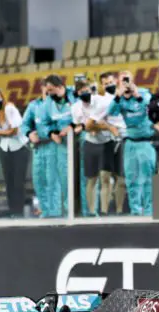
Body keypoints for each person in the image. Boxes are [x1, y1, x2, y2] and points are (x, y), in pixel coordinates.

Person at [107, 70, 157, 216]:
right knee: (131, 178)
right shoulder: (119, 98)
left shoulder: (143, 93)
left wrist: (136, 95)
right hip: (130, 142)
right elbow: (111, 112)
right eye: (123, 80)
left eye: (127, 79)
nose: (126, 83)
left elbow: (150, 108)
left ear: (133, 80)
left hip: (145, 142)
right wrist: (118, 95)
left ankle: (149, 210)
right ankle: (135, 210)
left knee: (148, 178)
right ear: (119, 82)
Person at [72, 79, 117, 216]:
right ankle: (92, 211)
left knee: (105, 177)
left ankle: (104, 210)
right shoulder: (75, 108)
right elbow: (80, 127)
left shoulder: (101, 101)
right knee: (91, 179)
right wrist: (96, 126)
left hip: (106, 142)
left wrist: (92, 126)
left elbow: (106, 122)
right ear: (77, 93)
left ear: (91, 90)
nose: (85, 93)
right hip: (90, 143)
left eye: (87, 90)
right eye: (82, 92)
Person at [0, 88, 29, 217]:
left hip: (19, 147)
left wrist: (2, 132)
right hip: (4, 148)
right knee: (9, 181)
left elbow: (15, 130)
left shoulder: (10, 109)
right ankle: (12, 210)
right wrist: (6, 132)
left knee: (18, 181)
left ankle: (19, 211)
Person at [42, 74, 77, 217]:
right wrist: (51, 133)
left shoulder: (75, 94)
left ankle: (87, 212)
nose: (49, 93)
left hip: (81, 141)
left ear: (60, 87)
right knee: (65, 178)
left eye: (51, 90)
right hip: (62, 144)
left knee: (85, 178)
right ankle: (70, 212)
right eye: (47, 91)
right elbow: (43, 123)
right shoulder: (48, 103)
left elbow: (87, 114)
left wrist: (73, 127)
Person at [22, 80, 55, 218]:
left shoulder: (58, 104)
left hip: (54, 146)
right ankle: (45, 212)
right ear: (41, 88)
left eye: (51, 87)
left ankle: (55, 212)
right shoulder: (33, 105)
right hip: (38, 147)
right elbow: (24, 124)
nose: (49, 90)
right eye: (46, 87)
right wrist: (29, 133)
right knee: (39, 180)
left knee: (53, 180)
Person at [96, 72, 128, 214]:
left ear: (116, 81)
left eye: (110, 82)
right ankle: (104, 211)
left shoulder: (125, 97)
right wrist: (110, 127)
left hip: (123, 140)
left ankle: (119, 210)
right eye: (106, 84)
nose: (109, 85)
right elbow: (95, 121)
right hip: (107, 141)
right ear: (102, 86)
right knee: (104, 177)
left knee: (121, 179)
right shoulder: (100, 101)